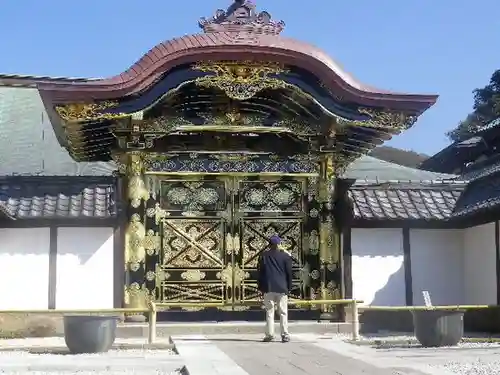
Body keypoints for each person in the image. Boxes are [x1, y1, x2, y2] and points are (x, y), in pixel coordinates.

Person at [257, 235, 292, 343]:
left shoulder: (264, 256)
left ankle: (270, 334)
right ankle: (285, 334)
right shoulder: (285, 256)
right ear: (279, 244)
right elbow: (289, 273)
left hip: (269, 287)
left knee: (269, 312)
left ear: (269, 244)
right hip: (282, 287)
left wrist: (261, 287)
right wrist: (289, 287)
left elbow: (260, 273)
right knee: (283, 312)